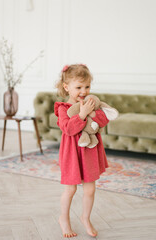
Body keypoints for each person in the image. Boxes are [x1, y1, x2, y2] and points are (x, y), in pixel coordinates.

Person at [54, 64, 109, 238]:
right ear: (66, 87)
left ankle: (86, 218)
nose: (83, 91)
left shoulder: (91, 102)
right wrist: (82, 114)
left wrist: (92, 112)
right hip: (72, 154)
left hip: (89, 153)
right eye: (78, 87)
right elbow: (68, 129)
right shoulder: (63, 108)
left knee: (90, 189)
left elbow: (103, 120)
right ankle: (64, 219)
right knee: (70, 190)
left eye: (87, 87)